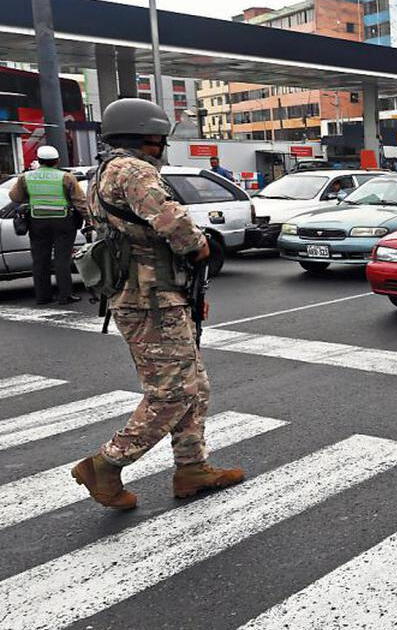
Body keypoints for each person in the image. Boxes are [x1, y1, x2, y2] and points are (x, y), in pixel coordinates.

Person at [70, 98, 243, 511]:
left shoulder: (105, 170)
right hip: (150, 298)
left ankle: (192, 467)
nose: (163, 145)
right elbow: (175, 224)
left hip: (152, 294)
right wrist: (200, 246)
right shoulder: (133, 170)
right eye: (161, 138)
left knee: (194, 386)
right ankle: (106, 464)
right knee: (171, 392)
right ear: (148, 135)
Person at [7, 145, 87, 305]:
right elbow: (80, 202)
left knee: (39, 259)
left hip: (37, 222)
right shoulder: (66, 177)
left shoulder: (26, 177)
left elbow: (15, 197)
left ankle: (43, 297)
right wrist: (91, 219)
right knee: (62, 259)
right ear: (57, 161)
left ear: (39, 160)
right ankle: (65, 295)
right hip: (63, 222)